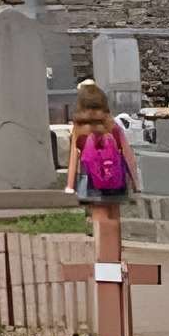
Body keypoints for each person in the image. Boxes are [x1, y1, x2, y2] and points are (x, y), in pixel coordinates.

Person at [65, 77, 134, 260]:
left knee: (99, 218)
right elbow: (127, 154)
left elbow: (74, 158)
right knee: (114, 218)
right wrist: (135, 181)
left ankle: (102, 257)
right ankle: (115, 257)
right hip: (116, 178)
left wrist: (70, 186)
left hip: (91, 179)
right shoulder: (113, 127)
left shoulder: (80, 129)